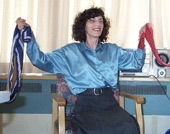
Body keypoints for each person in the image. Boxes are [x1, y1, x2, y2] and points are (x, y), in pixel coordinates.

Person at [16, 6, 145, 134]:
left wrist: (142, 39)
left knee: (128, 125)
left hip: (109, 103)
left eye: (100, 21)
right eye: (92, 20)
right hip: (86, 105)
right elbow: (40, 60)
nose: (97, 24)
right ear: (84, 26)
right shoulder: (69, 52)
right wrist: (29, 36)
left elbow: (136, 63)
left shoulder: (113, 50)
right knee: (93, 129)